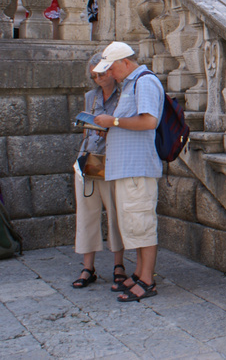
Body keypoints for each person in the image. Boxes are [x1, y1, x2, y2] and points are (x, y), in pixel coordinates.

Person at [91, 42, 165, 302]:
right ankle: (139, 273)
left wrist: (113, 122)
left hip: (137, 167)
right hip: (128, 167)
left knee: (142, 223)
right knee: (135, 223)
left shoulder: (144, 81)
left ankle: (147, 279)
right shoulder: (132, 83)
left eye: (111, 67)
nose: (109, 73)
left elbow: (149, 121)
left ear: (124, 62)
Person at [72, 53, 126, 290]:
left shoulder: (124, 95)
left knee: (114, 214)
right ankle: (88, 267)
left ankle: (119, 264)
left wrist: (110, 129)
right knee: (86, 213)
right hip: (88, 159)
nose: (98, 79)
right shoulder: (90, 97)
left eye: (101, 73)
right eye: (94, 75)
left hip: (112, 159)